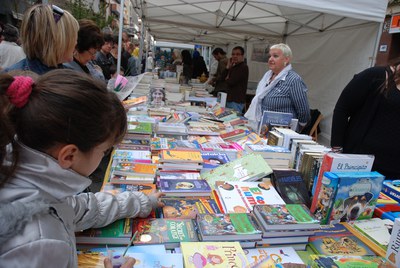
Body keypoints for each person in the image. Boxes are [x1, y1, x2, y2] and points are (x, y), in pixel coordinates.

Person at [0, 69, 164, 267]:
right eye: (104, 151)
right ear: (69, 155)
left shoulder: (27, 177)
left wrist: (142, 201)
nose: (104, 156)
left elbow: (79, 209)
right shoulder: (40, 242)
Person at [331, 61, 400, 179]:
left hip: (395, 175)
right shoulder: (376, 76)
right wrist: (337, 150)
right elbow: (342, 109)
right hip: (361, 164)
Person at [245, 43, 310, 131]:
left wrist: (296, 129)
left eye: (275, 56)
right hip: (264, 129)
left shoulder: (294, 80)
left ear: (286, 59)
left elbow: (303, 111)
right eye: (270, 56)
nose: (270, 59)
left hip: (282, 132)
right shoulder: (267, 76)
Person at [4, 4, 79, 75]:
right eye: (73, 36)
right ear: (56, 40)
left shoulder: (72, 75)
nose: (76, 42)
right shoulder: (12, 82)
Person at [224, 46, 249, 114]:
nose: (235, 56)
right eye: (233, 54)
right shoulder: (234, 66)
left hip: (236, 101)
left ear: (242, 56)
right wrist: (228, 67)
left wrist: (227, 78)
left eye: (237, 54)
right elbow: (223, 78)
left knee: (234, 121)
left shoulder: (243, 67)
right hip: (230, 99)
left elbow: (231, 82)